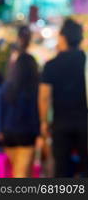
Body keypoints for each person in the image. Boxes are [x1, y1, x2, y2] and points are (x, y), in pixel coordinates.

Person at [39, 18, 88, 177]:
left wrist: (44, 122)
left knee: (62, 169)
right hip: (85, 123)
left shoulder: (52, 65)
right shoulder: (85, 61)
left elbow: (44, 97)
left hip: (61, 124)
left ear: (63, 37)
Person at [1, 25, 40, 177]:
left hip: (8, 132)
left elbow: (2, 107)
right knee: (21, 173)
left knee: (15, 171)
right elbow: (34, 111)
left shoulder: (8, 85)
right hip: (26, 133)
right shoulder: (33, 89)